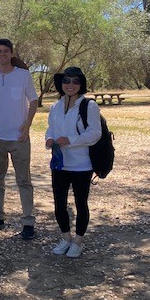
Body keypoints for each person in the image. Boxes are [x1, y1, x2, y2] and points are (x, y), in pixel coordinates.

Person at [0, 38, 39, 239]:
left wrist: (27, 125)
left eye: (6, 51)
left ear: (12, 54)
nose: (2, 54)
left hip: (19, 137)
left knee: (24, 180)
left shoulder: (23, 75)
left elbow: (34, 100)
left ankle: (28, 222)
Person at [45, 67, 102, 258]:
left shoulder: (89, 106)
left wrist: (70, 139)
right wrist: (49, 139)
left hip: (81, 165)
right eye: (66, 81)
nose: (70, 85)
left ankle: (78, 240)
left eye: (75, 81)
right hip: (60, 164)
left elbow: (95, 133)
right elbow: (50, 129)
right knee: (59, 203)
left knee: (80, 203)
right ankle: (66, 237)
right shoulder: (55, 106)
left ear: (81, 84)